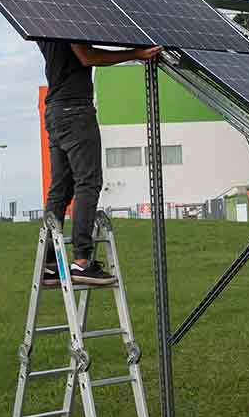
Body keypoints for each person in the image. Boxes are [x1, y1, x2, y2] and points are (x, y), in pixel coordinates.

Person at [40, 41, 162, 285]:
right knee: (88, 182)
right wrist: (136, 53)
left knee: (61, 189)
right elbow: (86, 56)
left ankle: (51, 264)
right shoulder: (68, 16)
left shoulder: (45, 22)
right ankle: (82, 261)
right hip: (75, 110)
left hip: (55, 110)